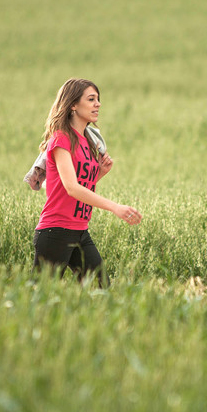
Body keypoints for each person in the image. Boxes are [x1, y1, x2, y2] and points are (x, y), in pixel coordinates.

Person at [32, 78, 141, 286]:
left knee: (102, 289)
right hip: (55, 231)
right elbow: (71, 188)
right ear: (73, 104)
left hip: (80, 230)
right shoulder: (61, 138)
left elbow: (80, 184)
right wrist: (115, 207)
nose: (97, 104)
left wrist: (99, 172)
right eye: (91, 99)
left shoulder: (88, 141)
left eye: (98, 99)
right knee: (39, 299)